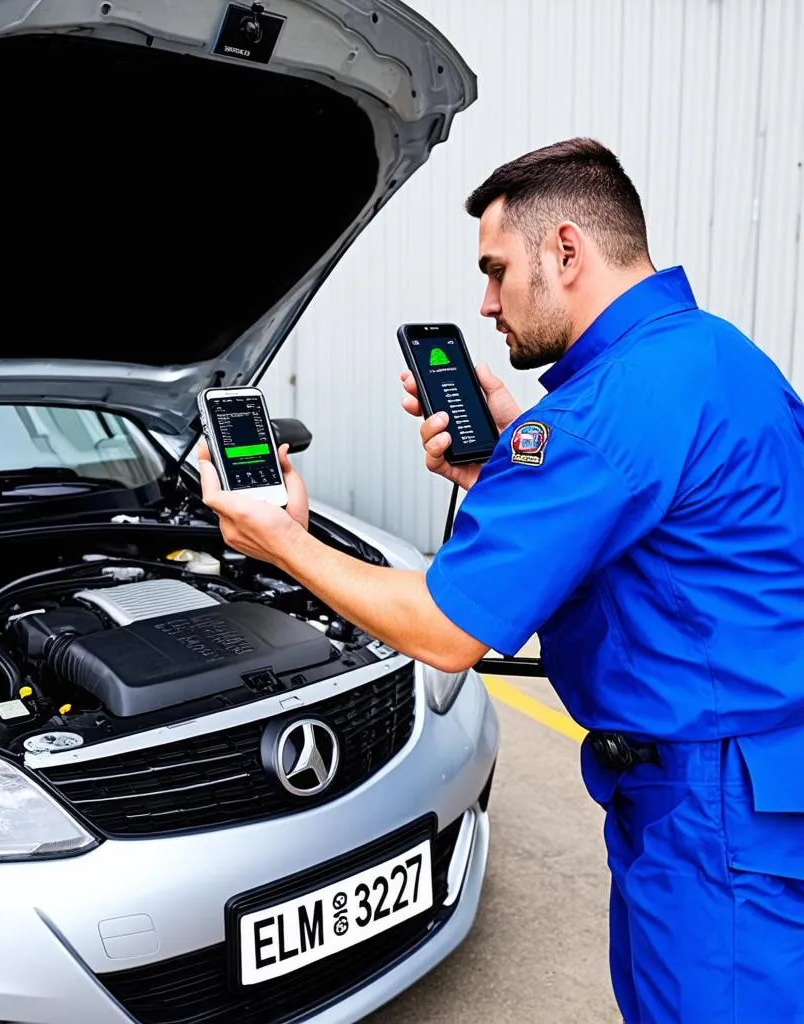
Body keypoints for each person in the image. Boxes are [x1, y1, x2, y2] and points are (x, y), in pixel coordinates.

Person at [196, 137, 804, 1023]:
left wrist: (282, 540)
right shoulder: (714, 355)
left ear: (565, 250)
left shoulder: (601, 415)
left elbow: (447, 630)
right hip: (760, 777)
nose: (485, 303)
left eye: (496, 269)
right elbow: (685, 542)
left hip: (710, 818)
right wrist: (511, 477)